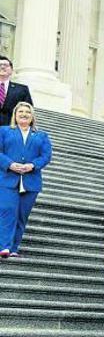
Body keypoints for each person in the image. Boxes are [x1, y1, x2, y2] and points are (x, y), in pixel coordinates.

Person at [0, 102, 51, 259]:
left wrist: (32, 165)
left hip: (31, 181)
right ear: (15, 115)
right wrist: (10, 164)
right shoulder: (4, 131)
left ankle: (14, 248)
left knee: (22, 216)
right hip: (7, 179)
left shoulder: (41, 136)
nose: (24, 114)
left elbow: (46, 156)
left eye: (27, 112)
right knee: (7, 211)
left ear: (32, 116)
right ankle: (4, 246)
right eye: (20, 111)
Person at [0, 56, 33, 127]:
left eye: (6, 65)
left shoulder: (22, 90)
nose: (2, 67)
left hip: (11, 130)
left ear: (11, 70)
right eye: (0, 65)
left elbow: (28, 111)